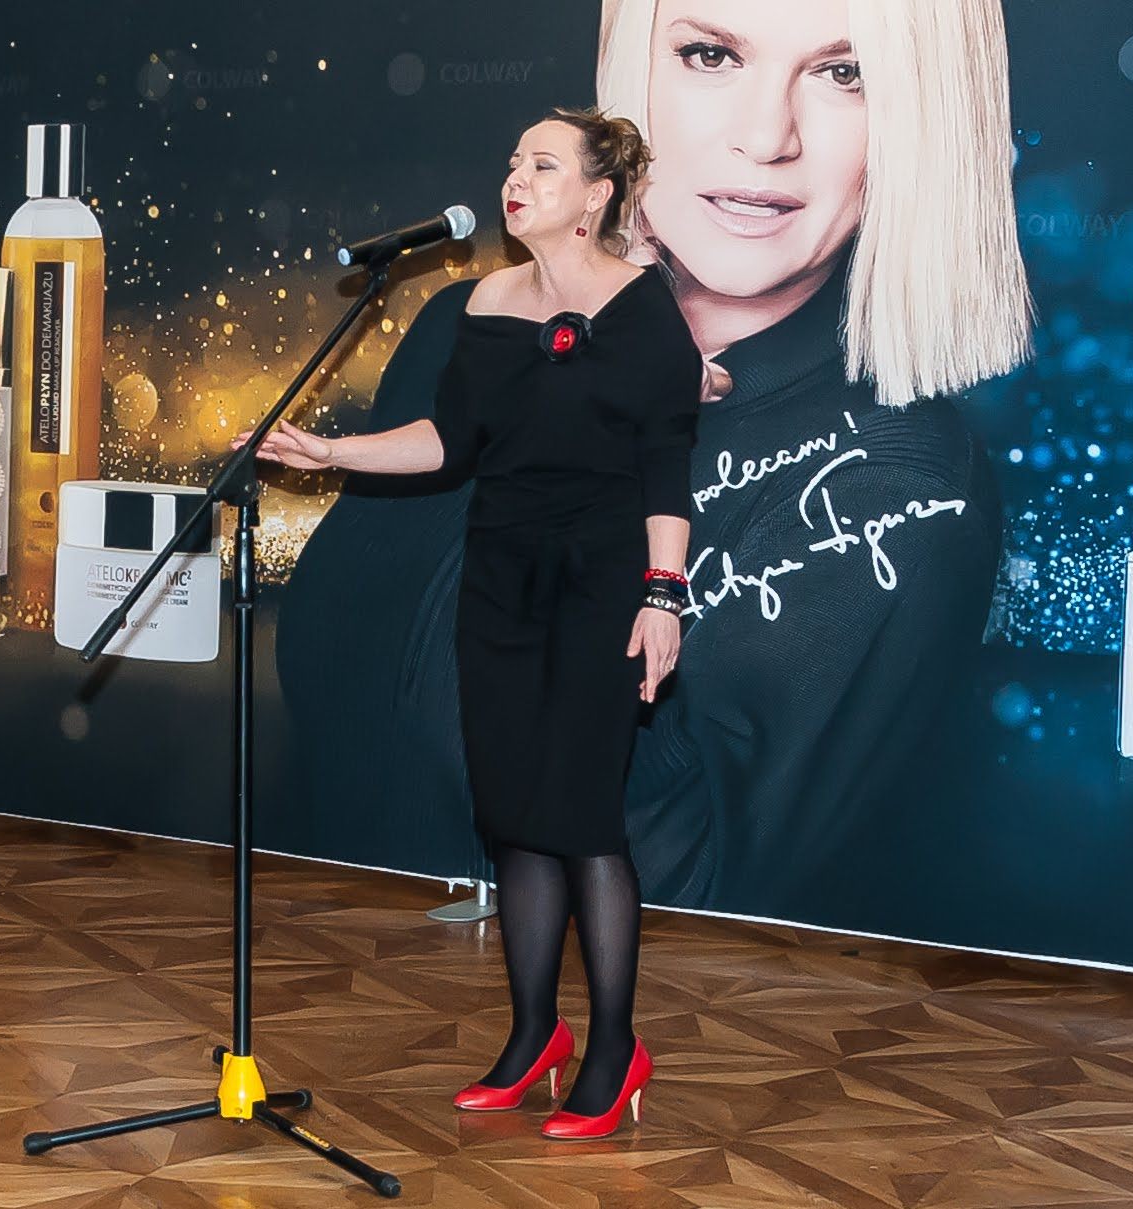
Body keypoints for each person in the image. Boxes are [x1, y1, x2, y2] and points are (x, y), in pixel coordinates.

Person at [277, 0, 1033, 926]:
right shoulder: (461, 331)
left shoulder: (899, 484)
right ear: (630, 73)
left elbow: (697, 908)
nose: (767, 137)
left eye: (846, 74)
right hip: (329, 957)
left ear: (925, 119)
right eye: (711, 55)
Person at [240, 110, 704, 1140]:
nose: (515, 177)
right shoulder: (487, 302)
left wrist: (661, 595)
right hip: (498, 584)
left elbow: (666, 469)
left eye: (542, 164)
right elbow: (448, 442)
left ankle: (614, 1049)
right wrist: (332, 453)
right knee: (514, 818)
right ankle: (533, 1034)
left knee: (582, 821)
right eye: (511, 162)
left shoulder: (646, 311)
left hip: (602, 590)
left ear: (596, 196)